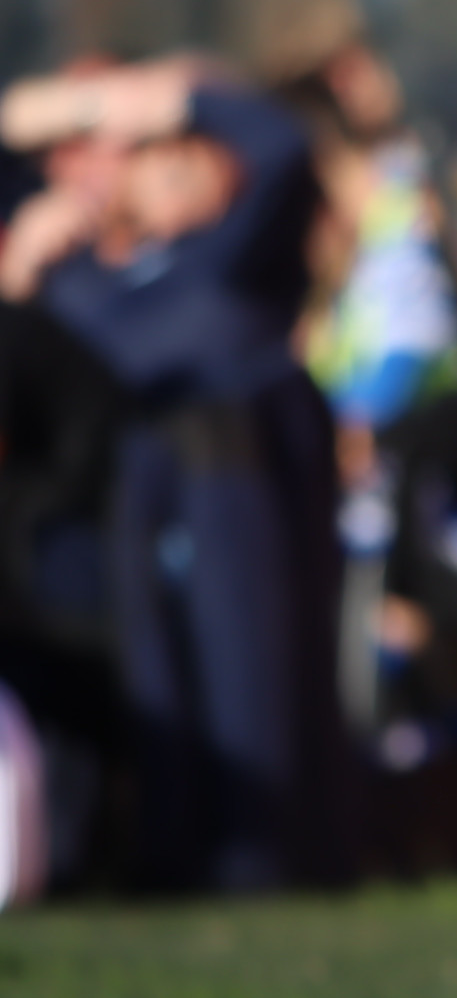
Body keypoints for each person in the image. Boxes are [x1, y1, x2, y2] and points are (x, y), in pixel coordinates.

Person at [0, 59, 342, 888]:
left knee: (246, 680)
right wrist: (19, 270)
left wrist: (168, 99)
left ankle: (257, 864)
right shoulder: (75, 282)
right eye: (148, 158)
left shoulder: (230, 257)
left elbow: (283, 146)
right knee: (154, 685)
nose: (167, 171)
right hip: (119, 507)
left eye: (183, 154)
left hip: (230, 486)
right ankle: (164, 857)